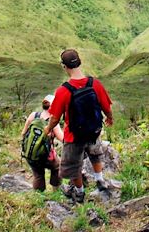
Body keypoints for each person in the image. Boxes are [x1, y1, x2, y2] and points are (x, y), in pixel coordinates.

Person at [43, 49, 114, 203]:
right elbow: (106, 106)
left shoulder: (63, 90)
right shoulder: (94, 83)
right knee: (95, 155)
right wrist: (109, 118)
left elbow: (55, 118)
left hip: (73, 136)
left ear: (64, 66)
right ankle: (100, 180)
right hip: (94, 131)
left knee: (73, 165)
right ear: (80, 62)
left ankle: (79, 193)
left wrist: (48, 130)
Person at [21, 94, 64, 192]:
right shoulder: (52, 121)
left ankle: (38, 196)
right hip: (46, 155)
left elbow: (23, 133)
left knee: (38, 175)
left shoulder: (33, 115)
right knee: (57, 166)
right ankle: (56, 190)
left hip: (31, 154)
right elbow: (62, 139)